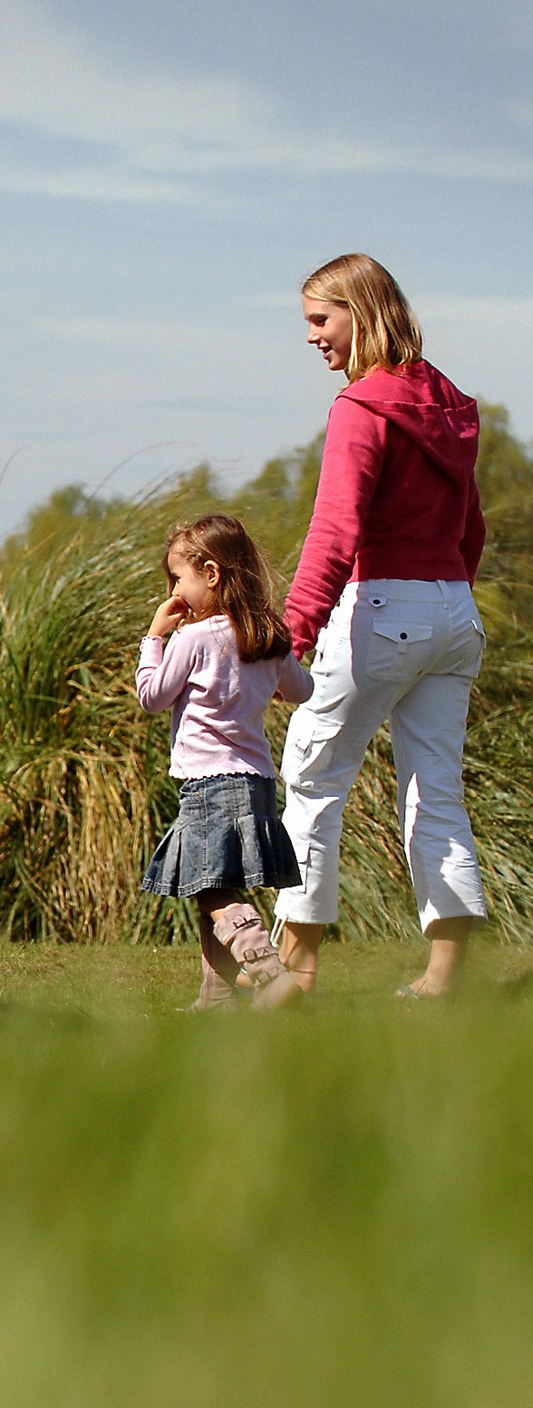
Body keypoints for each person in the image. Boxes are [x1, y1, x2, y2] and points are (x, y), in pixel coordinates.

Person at [276, 254, 488, 998]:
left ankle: (295, 979)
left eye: (320, 319)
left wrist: (291, 633)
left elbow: (336, 529)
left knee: (311, 775)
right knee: (437, 792)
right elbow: (472, 528)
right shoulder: (454, 405)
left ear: (360, 314)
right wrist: (448, 592)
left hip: (385, 610)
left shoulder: (361, 408)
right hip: (455, 611)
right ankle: (443, 980)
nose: (311, 338)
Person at [137, 515, 314, 1010]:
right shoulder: (267, 635)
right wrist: (269, 676)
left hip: (209, 785)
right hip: (256, 783)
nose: (174, 590)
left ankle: (268, 972)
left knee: (212, 889)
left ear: (210, 575)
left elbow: (151, 696)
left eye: (179, 578)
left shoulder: (192, 640)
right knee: (216, 885)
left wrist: (155, 637)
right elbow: (302, 689)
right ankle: (216, 999)